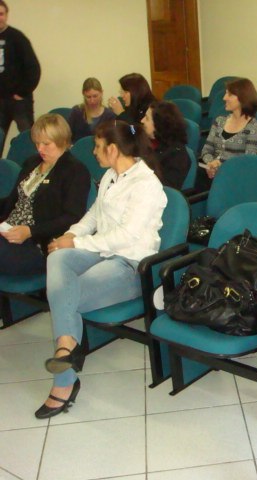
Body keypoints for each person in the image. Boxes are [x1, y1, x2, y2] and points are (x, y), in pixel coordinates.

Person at [34, 120, 167, 419]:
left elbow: (126, 236)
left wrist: (78, 243)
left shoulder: (147, 185)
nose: (92, 152)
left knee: (65, 297)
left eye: (96, 146)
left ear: (113, 148)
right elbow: (92, 215)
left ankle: (64, 382)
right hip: (101, 252)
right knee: (56, 258)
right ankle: (67, 347)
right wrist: (69, 236)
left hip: (131, 264)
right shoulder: (110, 175)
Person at [0, 113, 90, 275]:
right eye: (37, 143)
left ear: (62, 141)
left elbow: (72, 217)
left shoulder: (75, 171)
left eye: (46, 144)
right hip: (9, 232)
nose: (40, 149)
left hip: (37, 244)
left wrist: (30, 231)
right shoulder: (32, 163)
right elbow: (14, 200)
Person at [197, 77, 257, 191]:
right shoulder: (220, 121)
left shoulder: (254, 128)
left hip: (235, 178)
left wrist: (221, 165)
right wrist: (211, 163)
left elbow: (248, 162)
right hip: (211, 173)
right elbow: (206, 150)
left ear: (243, 97)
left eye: (229, 94)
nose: (224, 98)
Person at [0, 0, 41, 154]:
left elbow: (34, 69)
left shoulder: (17, 38)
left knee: (30, 138)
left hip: (19, 102)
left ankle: (35, 170)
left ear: (6, 15)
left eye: (1, 14)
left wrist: (22, 92)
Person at [141, 100, 190, 190]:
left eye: (147, 118)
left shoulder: (177, 155)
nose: (142, 120)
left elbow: (166, 190)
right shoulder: (146, 143)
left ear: (158, 123)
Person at [68, 77, 116, 142]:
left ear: (102, 93)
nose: (92, 101)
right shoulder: (77, 111)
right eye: (88, 97)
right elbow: (67, 135)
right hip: (78, 150)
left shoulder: (109, 115)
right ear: (83, 94)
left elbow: (112, 139)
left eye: (95, 96)